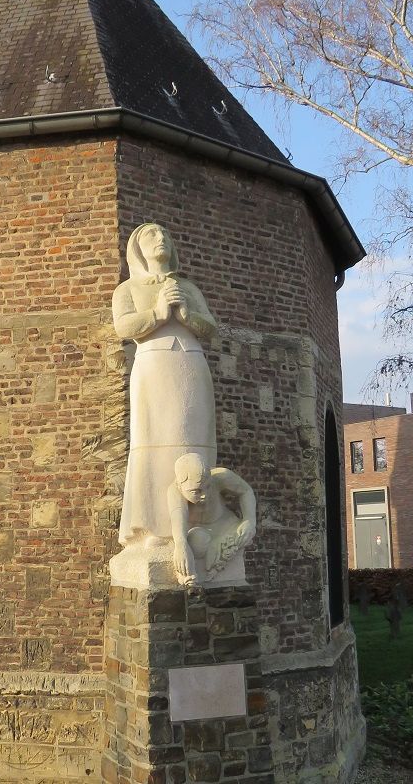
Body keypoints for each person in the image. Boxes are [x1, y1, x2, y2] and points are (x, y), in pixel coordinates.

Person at [112, 223, 218, 549]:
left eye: (164, 236)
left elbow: (210, 327)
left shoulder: (187, 287)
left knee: (194, 440)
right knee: (154, 441)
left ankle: (199, 522)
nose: (160, 240)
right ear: (138, 249)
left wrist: (187, 316)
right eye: (150, 236)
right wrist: (157, 313)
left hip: (191, 366)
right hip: (154, 367)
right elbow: (123, 326)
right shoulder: (128, 289)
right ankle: (154, 526)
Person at [167, 452, 256, 587]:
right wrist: (181, 545)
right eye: (196, 491)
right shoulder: (174, 493)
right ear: (180, 487)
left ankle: (218, 556)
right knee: (196, 543)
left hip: (226, 525)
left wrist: (250, 519)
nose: (205, 495)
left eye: (208, 486)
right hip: (200, 531)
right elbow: (178, 519)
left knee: (244, 533)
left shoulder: (220, 476)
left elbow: (246, 491)